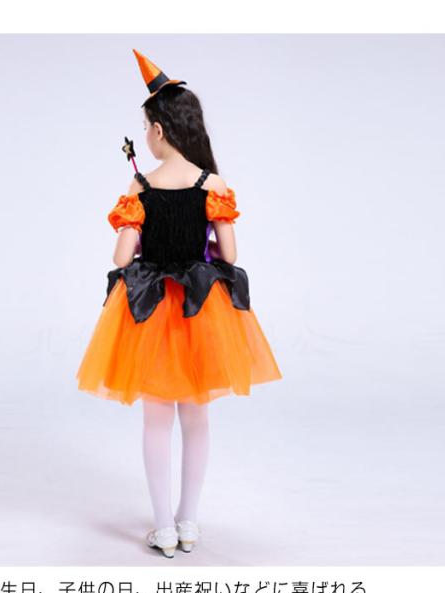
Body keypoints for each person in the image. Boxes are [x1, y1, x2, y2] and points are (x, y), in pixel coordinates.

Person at [76, 49, 282, 558]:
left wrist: (142, 236)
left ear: (158, 131)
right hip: (199, 309)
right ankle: (190, 522)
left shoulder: (140, 185)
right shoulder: (213, 184)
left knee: (156, 421)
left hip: (150, 312)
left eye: (146, 129)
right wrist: (203, 239)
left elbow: (121, 256)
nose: (145, 137)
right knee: (196, 418)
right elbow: (229, 254)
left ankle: (163, 527)